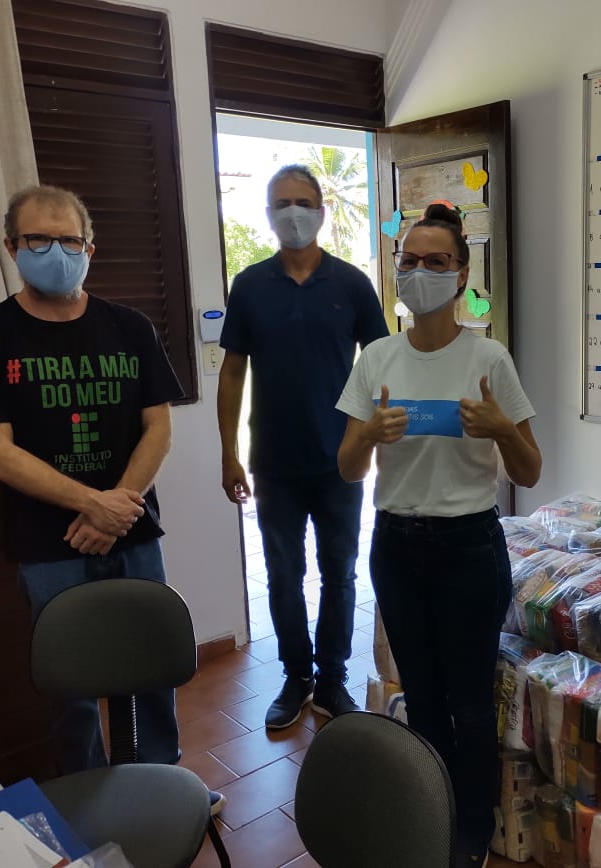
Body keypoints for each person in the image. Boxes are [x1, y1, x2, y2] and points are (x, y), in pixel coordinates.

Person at [0, 185, 225, 810]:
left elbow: (158, 428)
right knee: (70, 686)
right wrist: (91, 504)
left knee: (150, 667)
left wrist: (114, 506)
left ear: (90, 248)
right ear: (11, 246)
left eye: (69, 240)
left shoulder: (130, 327)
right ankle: (87, 802)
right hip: (49, 543)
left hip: (131, 528)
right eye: (38, 239)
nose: (55, 252)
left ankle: (165, 788)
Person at [335, 202, 543, 868]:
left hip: (469, 547)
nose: (420, 272)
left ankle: (472, 827)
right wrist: (369, 434)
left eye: (437, 261)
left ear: (461, 275)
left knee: (471, 703)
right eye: (410, 261)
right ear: (396, 270)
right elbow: (347, 467)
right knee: (421, 696)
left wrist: (501, 428)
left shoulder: (488, 357)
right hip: (397, 546)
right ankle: (431, 811)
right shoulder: (377, 358)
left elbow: (530, 471)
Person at [217, 164, 388, 729]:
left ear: (321, 211)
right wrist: (228, 452)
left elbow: (382, 365)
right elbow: (232, 373)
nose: (293, 212)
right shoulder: (249, 285)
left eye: (303, 202)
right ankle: (296, 677)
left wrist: (374, 437)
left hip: (341, 461)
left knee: (340, 574)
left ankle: (332, 678)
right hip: (274, 463)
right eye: (282, 203)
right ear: (269, 215)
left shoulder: (351, 285)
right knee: (283, 575)